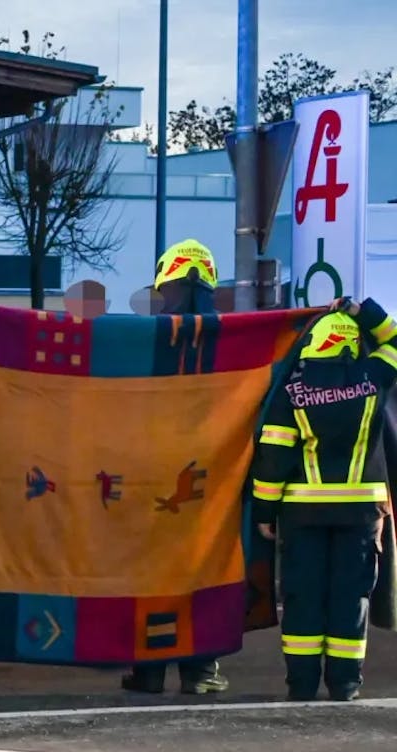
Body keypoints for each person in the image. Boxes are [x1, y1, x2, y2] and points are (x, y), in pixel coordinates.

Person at [252, 295, 397, 701]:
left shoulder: (293, 388)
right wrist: (361, 309)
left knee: (303, 595)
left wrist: (264, 511)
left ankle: (301, 684)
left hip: (303, 513)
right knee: (350, 596)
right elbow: (395, 340)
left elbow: (274, 455)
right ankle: (345, 683)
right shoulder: (373, 375)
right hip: (361, 513)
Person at [121, 239, 231, 695]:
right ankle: (201, 672)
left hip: (153, 477)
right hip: (208, 479)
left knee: (150, 571)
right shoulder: (230, 338)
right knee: (202, 572)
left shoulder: (148, 339)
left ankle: (148, 672)